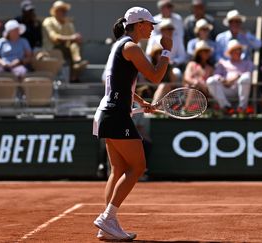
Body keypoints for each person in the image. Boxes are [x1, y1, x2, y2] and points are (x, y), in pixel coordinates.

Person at [92, 6, 172, 241]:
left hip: (108, 112)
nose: (152, 29)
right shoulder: (131, 47)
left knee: (118, 170)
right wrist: (166, 52)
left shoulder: (120, 46)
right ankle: (108, 218)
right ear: (139, 25)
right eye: (149, 24)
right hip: (116, 114)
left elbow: (119, 83)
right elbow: (156, 76)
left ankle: (106, 227)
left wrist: (140, 100)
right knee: (137, 167)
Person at [42, 0, 88, 82]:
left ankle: (77, 63)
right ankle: (75, 68)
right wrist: (73, 38)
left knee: (74, 45)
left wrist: (77, 39)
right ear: (56, 11)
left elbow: (73, 38)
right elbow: (54, 38)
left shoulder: (68, 23)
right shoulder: (48, 21)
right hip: (52, 49)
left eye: (65, 10)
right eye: (62, 10)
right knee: (70, 48)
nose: (64, 12)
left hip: (66, 49)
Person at [206, 39, 253, 110]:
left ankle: (242, 108)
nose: (238, 52)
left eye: (239, 50)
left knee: (245, 78)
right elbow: (216, 75)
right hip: (225, 88)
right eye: (235, 50)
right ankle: (225, 106)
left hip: (239, 87)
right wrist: (223, 80)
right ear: (230, 52)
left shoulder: (248, 63)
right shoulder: (222, 63)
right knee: (210, 81)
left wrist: (236, 78)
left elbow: (249, 74)